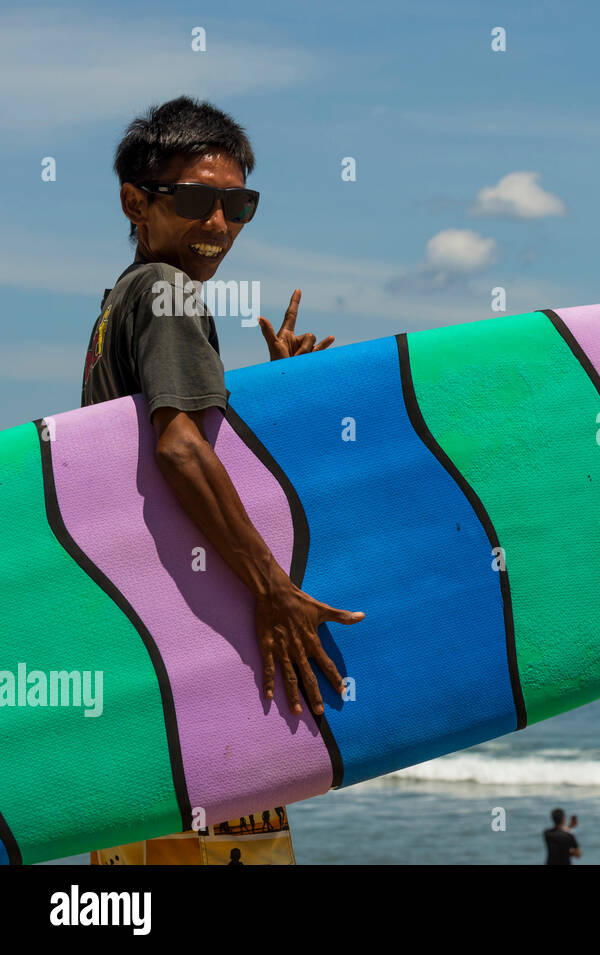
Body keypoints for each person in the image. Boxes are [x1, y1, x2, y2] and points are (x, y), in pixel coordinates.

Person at [83, 96, 363, 868]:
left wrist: (279, 391)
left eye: (237, 205)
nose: (218, 225)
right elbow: (177, 451)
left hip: (144, 685)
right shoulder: (170, 292)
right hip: (193, 671)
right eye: (197, 200)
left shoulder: (121, 302)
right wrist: (273, 588)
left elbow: (161, 456)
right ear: (136, 201)